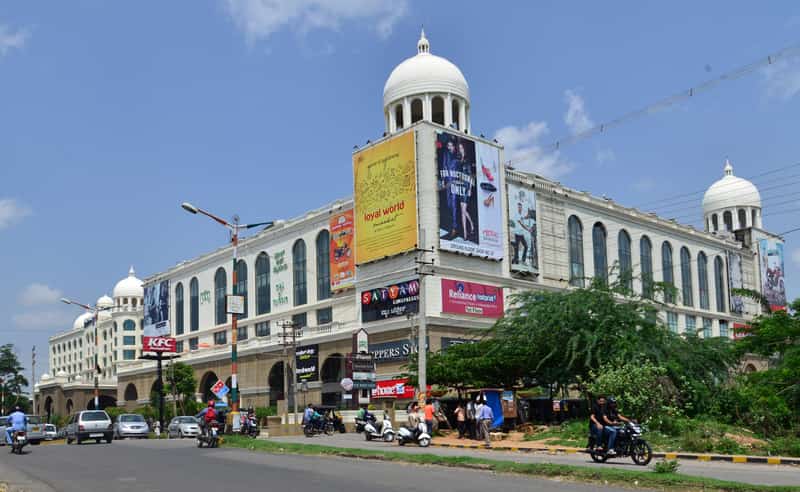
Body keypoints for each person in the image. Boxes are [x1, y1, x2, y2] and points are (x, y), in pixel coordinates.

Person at [457, 141, 475, 242]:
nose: (460, 150)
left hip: (466, 187)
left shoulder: (467, 161)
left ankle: (471, 224)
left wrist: (470, 189)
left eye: (461, 148)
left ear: (464, 148)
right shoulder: (460, 160)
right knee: (462, 211)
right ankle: (465, 233)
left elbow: (470, 176)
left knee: (464, 210)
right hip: (460, 187)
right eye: (459, 148)